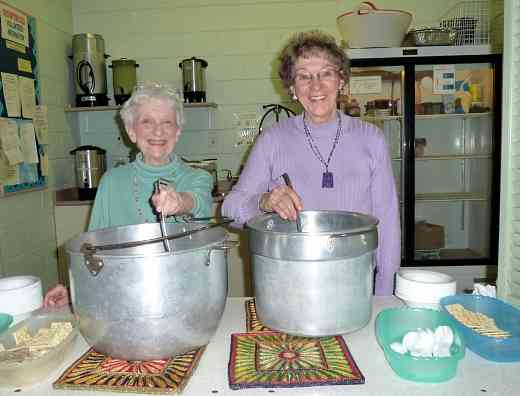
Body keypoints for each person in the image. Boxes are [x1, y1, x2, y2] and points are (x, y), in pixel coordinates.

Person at [221, 30, 400, 295]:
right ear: (292, 89)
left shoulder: (370, 138)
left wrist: (385, 294)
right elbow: (228, 211)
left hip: (354, 283)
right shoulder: (272, 140)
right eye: (304, 76)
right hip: (289, 286)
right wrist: (264, 202)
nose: (316, 86)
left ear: (341, 80)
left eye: (326, 73)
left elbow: (386, 221)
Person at [44, 82, 213, 307]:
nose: (158, 131)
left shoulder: (197, 178)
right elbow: (93, 251)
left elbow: (198, 201)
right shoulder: (111, 182)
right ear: (131, 131)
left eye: (167, 122)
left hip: (186, 296)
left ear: (178, 131)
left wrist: (179, 201)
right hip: (123, 298)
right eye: (147, 122)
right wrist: (74, 290)